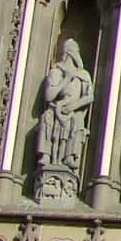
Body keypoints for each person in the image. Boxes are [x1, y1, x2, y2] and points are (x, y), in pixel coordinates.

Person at [36, 41, 93, 198]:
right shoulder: (57, 71)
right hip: (57, 109)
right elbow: (49, 96)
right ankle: (46, 156)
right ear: (67, 52)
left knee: (77, 121)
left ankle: (69, 157)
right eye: (74, 50)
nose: (76, 53)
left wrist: (73, 107)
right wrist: (66, 79)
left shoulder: (84, 74)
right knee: (47, 117)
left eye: (77, 50)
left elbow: (90, 96)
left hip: (73, 111)